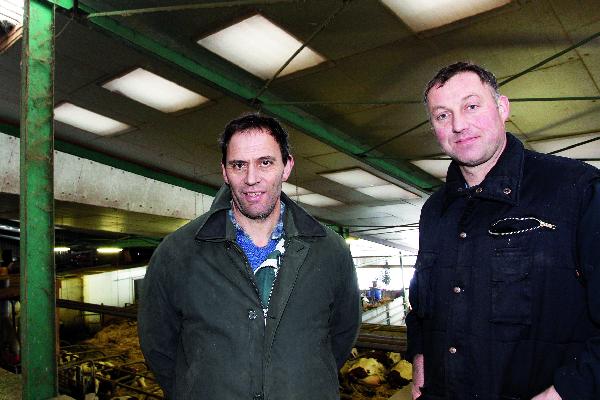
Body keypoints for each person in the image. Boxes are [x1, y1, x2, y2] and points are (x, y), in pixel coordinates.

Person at [406, 62, 600, 400]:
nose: (458, 125)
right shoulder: (435, 211)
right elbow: (422, 309)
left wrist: (566, 392)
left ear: (502, 108)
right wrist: (420, 368)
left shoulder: (575, 190)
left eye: (471, 105)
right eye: (442, 115)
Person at [138, 113, 360, 399]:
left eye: (265, 163)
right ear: (224, 172)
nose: (251, 179)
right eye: (238, 165)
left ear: (287, 166)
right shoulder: (177, 252)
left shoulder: (330, 251)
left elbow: (340, 338)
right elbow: (158, 346)